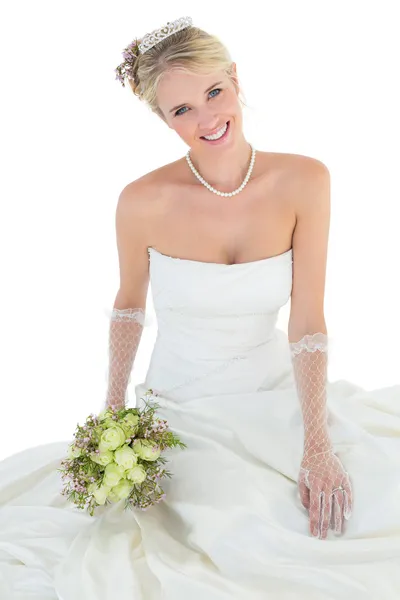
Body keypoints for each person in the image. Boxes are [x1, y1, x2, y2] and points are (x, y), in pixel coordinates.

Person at [1, 15, 400, 600]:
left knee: (367, 502)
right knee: (239, 527)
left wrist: (317, 444)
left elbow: (308, 321)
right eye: (181, 111)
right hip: (180, 410)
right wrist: (113, 416)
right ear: (162, 119)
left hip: (275, 397)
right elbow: (129, 308)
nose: (207, 119)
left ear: (235, 80)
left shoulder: (305, 181)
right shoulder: (142, 201)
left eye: (214, 93)